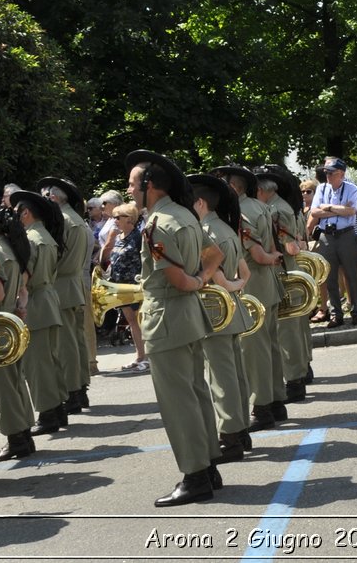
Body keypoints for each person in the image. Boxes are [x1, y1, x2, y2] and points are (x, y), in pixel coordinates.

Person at [127, 150, 224, 506]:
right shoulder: (183, 213)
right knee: (196, 394)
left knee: (178, 401)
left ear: (149, 187)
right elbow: (215, 256)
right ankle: (209, 466)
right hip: (188, 316)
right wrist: (201, 279)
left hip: (167, 315)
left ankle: (195, 476)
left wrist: (196, 282)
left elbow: (180, 281)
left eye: (133, 185)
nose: (129, 191)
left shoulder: (156, 224)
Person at [187, 173, 253, 462]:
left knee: (221, 376)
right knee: (234, 372)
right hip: (230, 308)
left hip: (216, 310)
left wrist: (230, 286)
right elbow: (244, 274)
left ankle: (230, 436)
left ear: (200, 203)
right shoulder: (225, 228)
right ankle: (240, 430)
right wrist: (236, 287)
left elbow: (219, 277)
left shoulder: (208, 232)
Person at [215, 164, 286, 429]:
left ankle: (262, 407)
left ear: (234, 187)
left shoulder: (241, 211)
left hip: (252, 282)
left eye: (224, 184)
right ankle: (277, 401)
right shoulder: (259, 206)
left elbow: (256, 253)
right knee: (270, 346)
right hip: (265, 283)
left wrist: (267, 259)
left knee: (254, 351)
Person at [0, 203, 37, 463]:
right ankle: (24, 434)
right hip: (11, 319)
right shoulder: (11, 249)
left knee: (3, 385)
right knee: (15, 381)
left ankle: (16, 438)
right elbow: (20, 290)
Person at [13, 189, 70, 435]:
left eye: (17, 212)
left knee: (37, 365)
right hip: (48, 299)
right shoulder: (45, 236)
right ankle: (57, 409)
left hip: (35, 302)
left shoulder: (30, 239)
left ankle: (47, 413)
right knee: (50, 360)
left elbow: (24, 278)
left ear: (26, 213)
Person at [253, 166, 313, 399]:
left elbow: (290, 246)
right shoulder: (275, 207)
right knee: (290, 330)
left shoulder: (278, 209)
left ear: (263, 190)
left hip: (284, 272)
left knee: (287, 332)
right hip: (284, 272)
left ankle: (296, 381)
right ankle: (298, 375)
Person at [38, 177, 93, 419]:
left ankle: (72, 392)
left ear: (54, 197)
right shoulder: (76, 219)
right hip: (72, 284)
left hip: (62, 284)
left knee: (66, 345)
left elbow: (56, 258)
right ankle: (79, 389)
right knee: (75, 342)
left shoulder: (64, 219)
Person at [310, 158, 357, 326]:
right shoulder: (321, 188)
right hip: (327, 236)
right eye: (326, 172)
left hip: (346, 235)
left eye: (331, 173)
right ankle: (336, 314)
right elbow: (314, 212)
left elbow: (350, 212)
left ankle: (356, 312)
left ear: (341, 174)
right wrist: (337, 209)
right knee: (330, 276)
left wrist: (327, 207)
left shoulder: (352, 189)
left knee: (351, 275)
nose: (327, 176)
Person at [100, 202, 147, 372]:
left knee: (139, 321)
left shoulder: (138, 237)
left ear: (129, 219)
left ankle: (146, 357)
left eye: (117, 217)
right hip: (120, 286)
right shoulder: (118, 237)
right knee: (132, 322)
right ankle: (139, 356)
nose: (114, 221)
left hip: (135, 285)